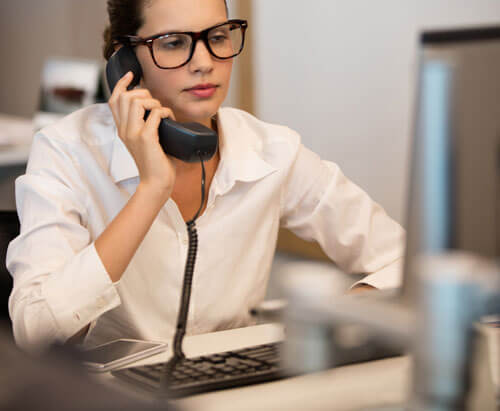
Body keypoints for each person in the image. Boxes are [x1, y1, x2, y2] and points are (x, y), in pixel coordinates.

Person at [7, 0, 405, 352]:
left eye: (217, 36)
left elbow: (405, 259)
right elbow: (37, 332)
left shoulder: (272, 150)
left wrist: (341, 313)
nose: (204, 61)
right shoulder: (68, 151)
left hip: (236, 392)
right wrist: (150, 191)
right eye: (174, 42)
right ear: (124, 62)